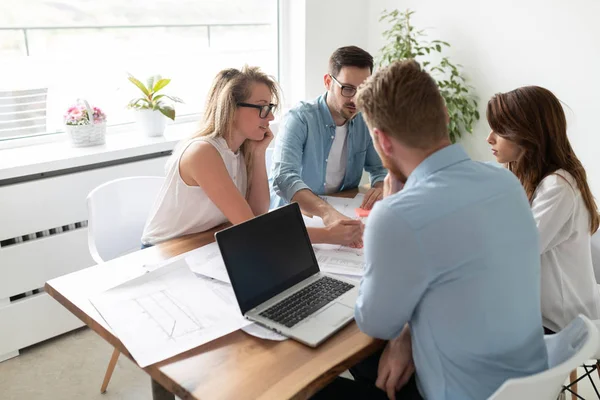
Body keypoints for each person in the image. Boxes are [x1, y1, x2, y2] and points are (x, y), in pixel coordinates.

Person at [313, 60, 548, 400]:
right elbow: (462, 284)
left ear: (382, 141)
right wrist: (406, 335)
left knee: (306, 385)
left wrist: (391, 207)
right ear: (445, 115)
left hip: (457, 393)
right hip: (527, 385)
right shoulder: (505, 182)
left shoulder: (398, 215)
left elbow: (375, 323)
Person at [141, 66, 362, 247]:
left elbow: (258, 213)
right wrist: (328, 236)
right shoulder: (203, 152)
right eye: (262, 107)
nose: (271, 116)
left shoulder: (240, 151)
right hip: (165, 252)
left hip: (205, 244)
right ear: (231, 108)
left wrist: (258, 153)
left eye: (270, 107)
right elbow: (253, 229)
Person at [486, 85, 600, 333]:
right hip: (543, 310)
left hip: (560, 320)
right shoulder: (533, 178)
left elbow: (515, 252)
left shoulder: (557, 186)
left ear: (528, 134)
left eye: (500, 130)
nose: (489, 138)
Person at [270, 46, 387, 238]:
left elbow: (379, 168)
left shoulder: (365, 120)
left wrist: (380, 187)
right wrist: (326, 212)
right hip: (295, 222)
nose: (356, 99)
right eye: (348, 89)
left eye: (364, 89)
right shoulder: (299, 119)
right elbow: (284, 178)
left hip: (343, 211)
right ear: (327, 82)